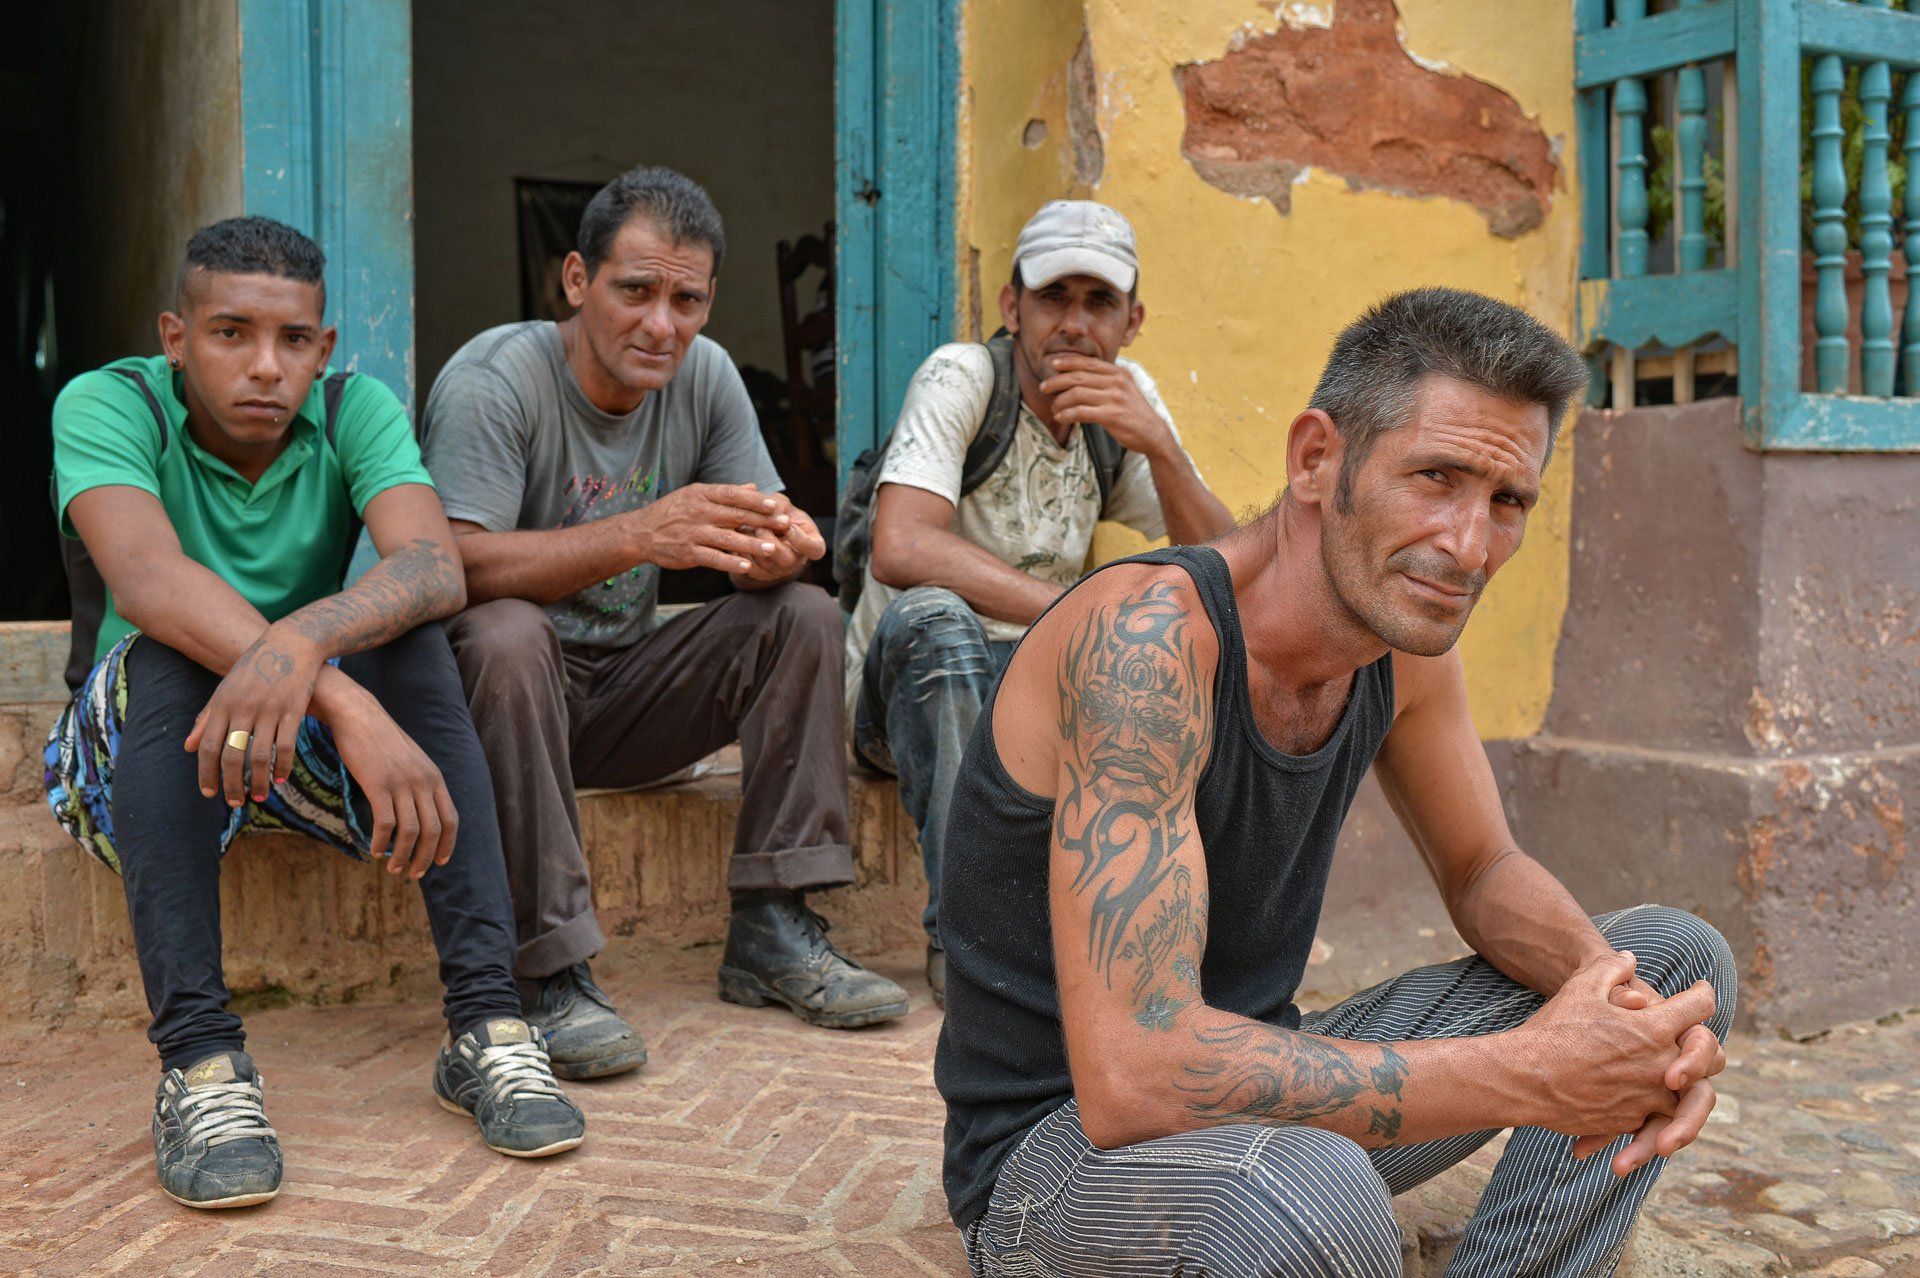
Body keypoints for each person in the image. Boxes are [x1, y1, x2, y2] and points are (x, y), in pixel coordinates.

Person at [936, 287, 1737, 1276]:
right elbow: (1132, 1076)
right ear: (1317, 458)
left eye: (1506, 502)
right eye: (1435, 478)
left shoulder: (1404, 642)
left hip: (1258, 1105)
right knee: (1315, 1198)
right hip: (1058, 1159)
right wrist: (1527, 1074)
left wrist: (1620, 1017)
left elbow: (1483, 867)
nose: (1469, 546)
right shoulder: (1143, 641)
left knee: (1670, 967)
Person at [43, 217, 585, 1211]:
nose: (265, 367)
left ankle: (488, 1028)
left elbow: (432, 565)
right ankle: (201, 1068)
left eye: (293, 340)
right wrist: (326, 678)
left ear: (324, 348)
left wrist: (306, 659)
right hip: (136, 755)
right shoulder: (110, 403)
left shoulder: (352, 409)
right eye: (230, 334)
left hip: (287, 760)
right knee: (173, 655)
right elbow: (150, 579)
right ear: (174, 337)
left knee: (415, 641)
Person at [421, 165, 908, 1079]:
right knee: (506, 632)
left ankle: (775, 925)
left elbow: (763, 525)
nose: (661, 325)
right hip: (500, 712)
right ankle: (549, 972)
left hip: (623, 695)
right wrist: (645, 531)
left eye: (686, 300)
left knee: (800, 613)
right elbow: (451, 566)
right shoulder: (497, 378)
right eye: (635, 290)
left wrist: (777, 546)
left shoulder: (706, 373)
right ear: (576, 281)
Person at [846, 200, 1234, 1004]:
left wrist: (1158, 445)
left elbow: (1225, 569)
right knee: (937, 620)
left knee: (1176, 646)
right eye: (1054, 298)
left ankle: (1157, 947)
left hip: (1024, 691)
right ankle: (967, 944)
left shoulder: (1121, 411)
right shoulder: (965, 377)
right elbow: (903, 545)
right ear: (1011, 305)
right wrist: (1070, 612)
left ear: (1133, 321)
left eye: (1099, 304)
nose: (1073, 325)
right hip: (909, 698)